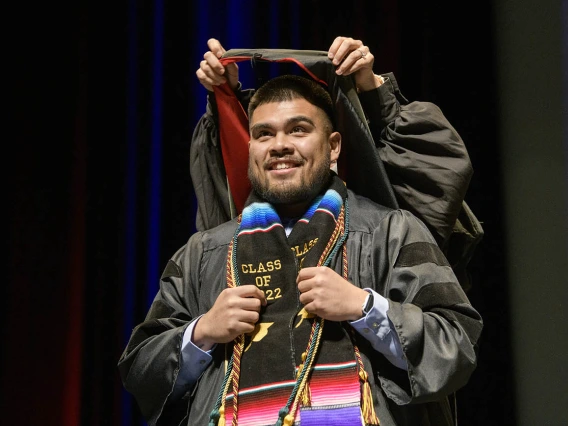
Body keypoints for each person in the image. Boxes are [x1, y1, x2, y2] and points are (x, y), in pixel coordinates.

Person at [118, 37, 483, 426]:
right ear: (250, 149)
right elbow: (140, 371)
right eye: (263, 134)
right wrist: (202, 332)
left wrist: (365, 308)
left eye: (298, 129)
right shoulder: (204, 252)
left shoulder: (391, 232)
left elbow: (455, 346)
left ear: (334, 146)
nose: (279, 145)